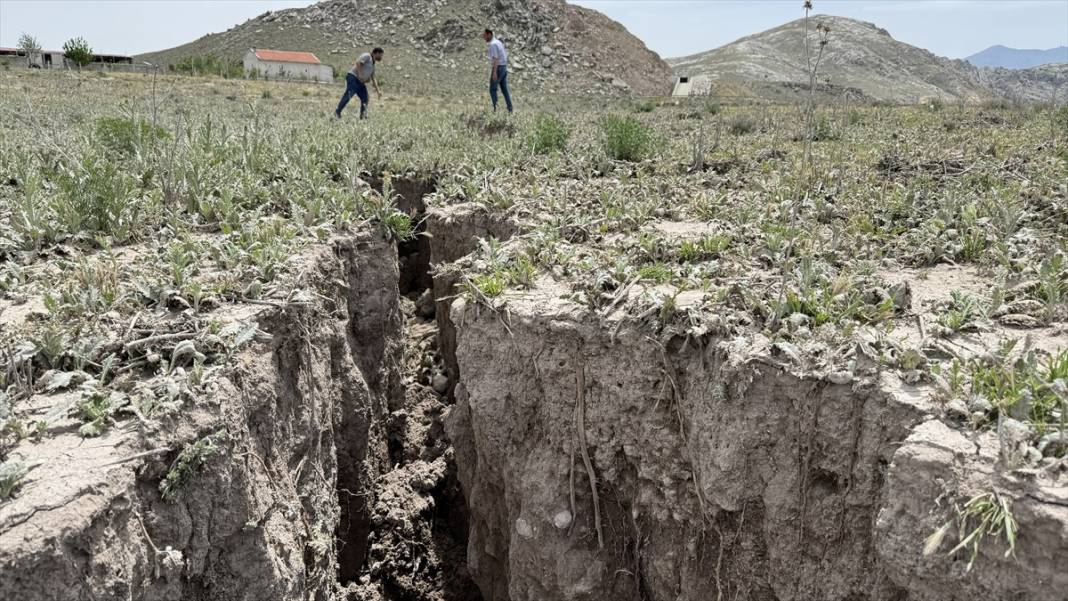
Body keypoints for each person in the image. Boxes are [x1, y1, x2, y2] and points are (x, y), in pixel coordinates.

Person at [336, 47, 383, 119]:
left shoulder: (373, 64)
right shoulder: (367, 56)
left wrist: (378, 91)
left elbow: (373, 78)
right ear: (376, 53)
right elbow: (358, 63)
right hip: (353, 78)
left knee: (365, 98)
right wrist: (360, 75)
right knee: (348, 95)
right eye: (381, 55)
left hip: (361, 82)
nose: (381, 57)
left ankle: (363, 117)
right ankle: (337, 113)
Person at [482, 29, 513, 113]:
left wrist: (494, 72)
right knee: (504, 90)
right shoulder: (498, 42)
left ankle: (496, 110)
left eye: (485, 36)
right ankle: (510, 109)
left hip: (498, 68)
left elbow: (496, 58)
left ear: (489, 34)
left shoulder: (493, 44)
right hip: (503, 67)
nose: (484, 37)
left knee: (492, 89)